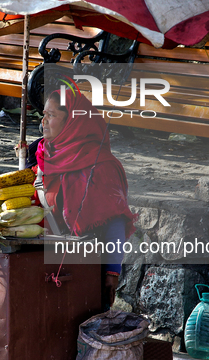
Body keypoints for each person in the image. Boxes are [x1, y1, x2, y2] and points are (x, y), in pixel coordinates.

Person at [34, 88, 136, 308]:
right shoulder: (43, 154)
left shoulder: (102, 166)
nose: (43, 121)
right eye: (44, 114)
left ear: (72, 121)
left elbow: (115, 222)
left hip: (84, 270)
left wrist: (111, 274)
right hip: (42, 266)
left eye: (51, 116)